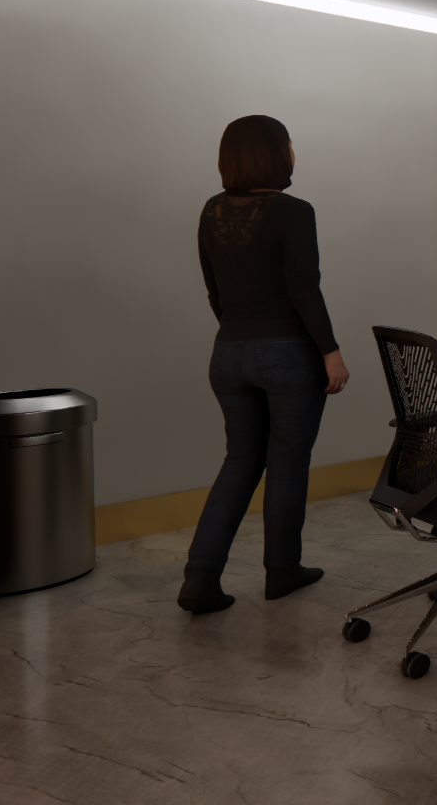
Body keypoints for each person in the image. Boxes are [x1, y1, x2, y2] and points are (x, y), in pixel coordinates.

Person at [178, 115, 349, 614]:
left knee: (239, 461)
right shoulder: (294, 212)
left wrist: (239, 333)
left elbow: (214, 291)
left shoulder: (211, 211)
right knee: (288, 465)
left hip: (227, 352)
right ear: (275, 153)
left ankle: (200, 577)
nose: (294, 152)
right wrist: (330, 350)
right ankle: (282, 570)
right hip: (287, 354)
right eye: (289, 145)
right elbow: (303, 288)